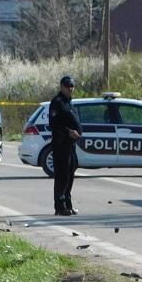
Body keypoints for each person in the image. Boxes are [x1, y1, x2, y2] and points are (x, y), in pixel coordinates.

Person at [49, 76, 82, 216]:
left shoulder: (69, 102)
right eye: (68, 86)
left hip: (70, 145)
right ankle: (59, 206)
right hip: (61, 144)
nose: (70, 88)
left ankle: (68, 204)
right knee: (62, 176)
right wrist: (69, 132)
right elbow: (54, 124)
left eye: (72, 86)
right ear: (62, 86)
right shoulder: (57, 102)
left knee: (70, 174)